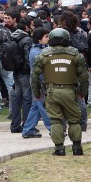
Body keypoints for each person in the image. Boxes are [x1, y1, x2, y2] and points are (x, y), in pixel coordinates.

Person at [31, 28, 88, 156]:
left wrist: (36, 93)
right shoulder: (75, 55)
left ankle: (59, 149)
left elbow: (34, 76)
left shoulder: (43, 55)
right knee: (74, 120)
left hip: (52, 92)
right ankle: (77, 148)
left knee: (56, 121)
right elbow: (84, 77)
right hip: (70, 92)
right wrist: (83, 92)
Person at [22, 27, 51, 138]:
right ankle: (53, 128)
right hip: (39, 84)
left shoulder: (40, 49)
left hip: (40, 83)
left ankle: (28, 129)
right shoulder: (36, 52)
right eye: (46, 36)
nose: (48, 39)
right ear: (39, 39)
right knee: (43, 106)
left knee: (36, 107)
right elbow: (40, 70)